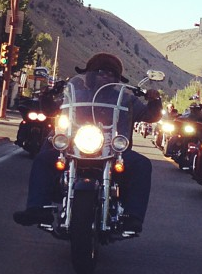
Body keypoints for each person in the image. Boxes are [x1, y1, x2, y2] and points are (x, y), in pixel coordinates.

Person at [13, 53, 162, 234]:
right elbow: (51, 109)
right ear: (89, 75)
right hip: (75, 144)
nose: (106, 76)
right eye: (100, 72)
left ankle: (133, 217)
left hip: (113, 149)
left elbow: (150, 115)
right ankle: (37, 208)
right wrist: (47, 95)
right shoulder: (74, 94)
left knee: (142, 164)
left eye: (111, 73)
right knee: (43, 158)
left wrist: (154, 101)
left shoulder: (126, 99)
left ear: (117, 79)